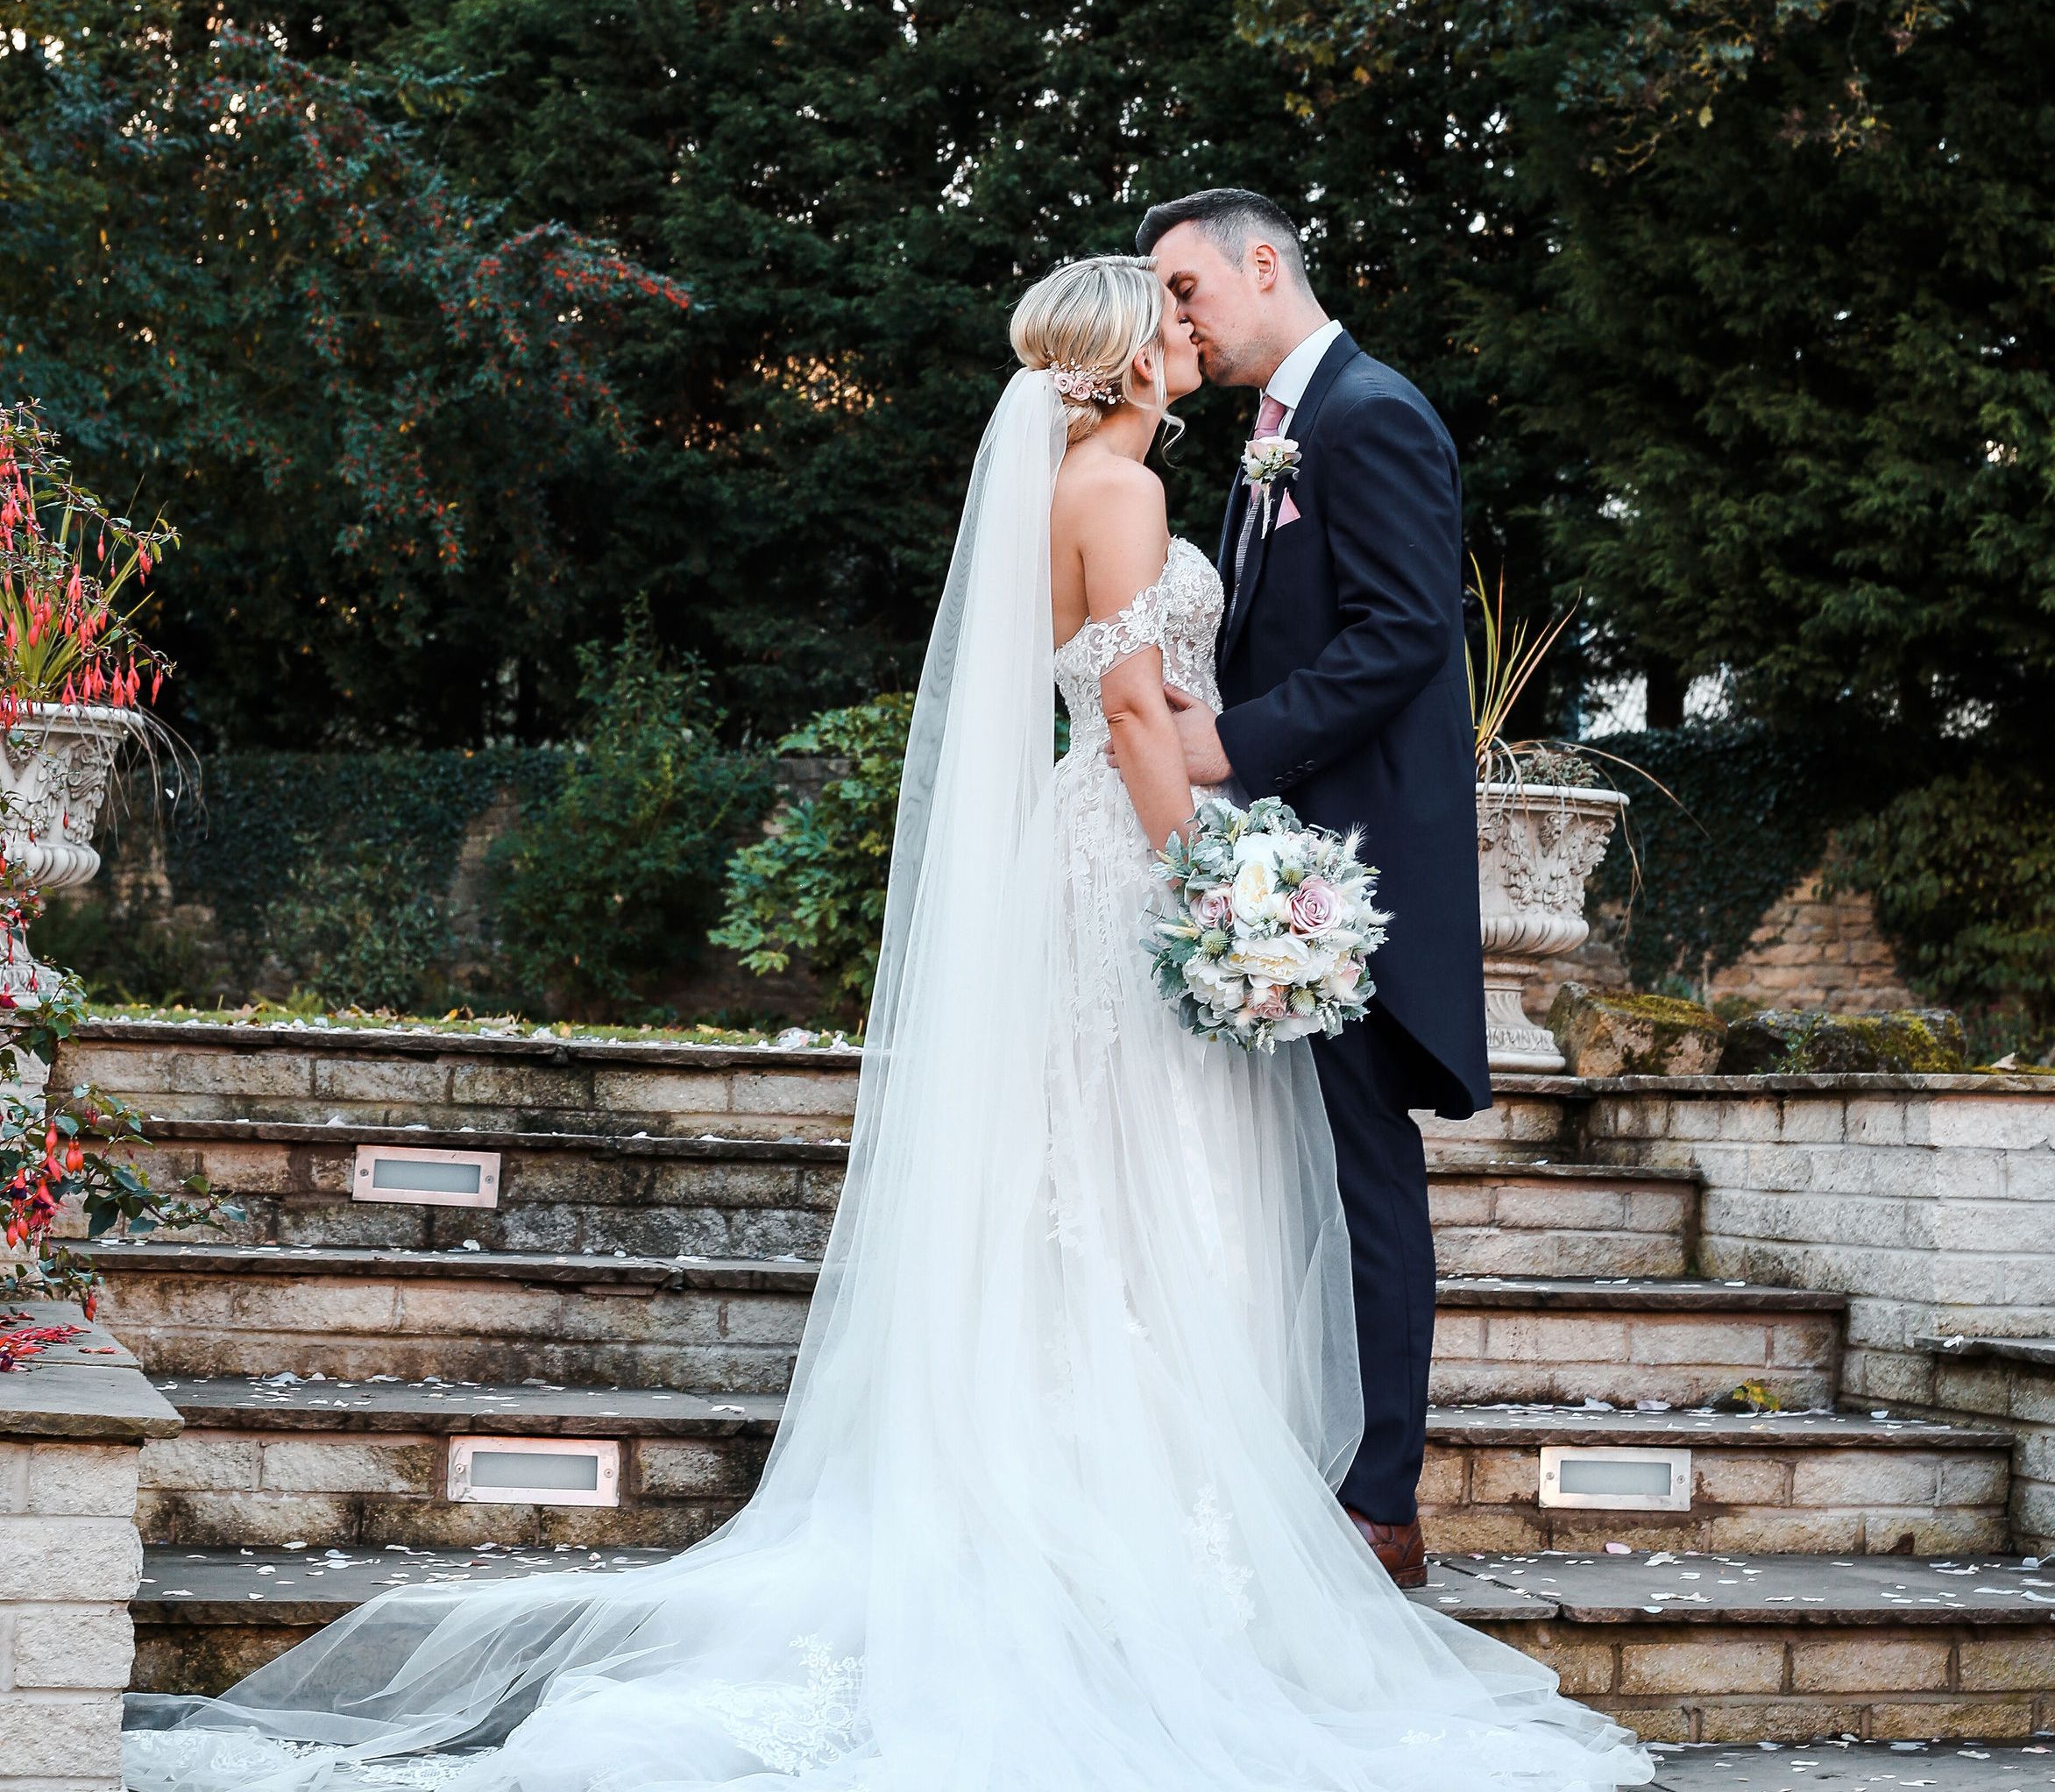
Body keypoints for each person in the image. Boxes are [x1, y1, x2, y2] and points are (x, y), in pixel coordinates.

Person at [122, 258, 1643, 1792]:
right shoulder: (1116, 496)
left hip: (1101, 854)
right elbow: (1127, 717)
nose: (1193, 336)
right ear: (1124, 360)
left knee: (1106, 1195)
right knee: (1140, 1194)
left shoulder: (1083, 485)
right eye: (1169, 320)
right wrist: (1228, 877)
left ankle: (1122, 1526)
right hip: (1134, 859)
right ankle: (1145, 1555)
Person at [1133, 188, 1492, 1590]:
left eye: (1182, 288)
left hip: (1346, 878)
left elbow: (1406, 632)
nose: (1173, 319)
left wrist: (1233, 742)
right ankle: (1307, 1464)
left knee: (1362, 1179)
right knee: (1296, 1181)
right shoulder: (1271, 435)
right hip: (1274, 863)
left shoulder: (1373, 413)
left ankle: (1382, 1505)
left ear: (1263, 262)